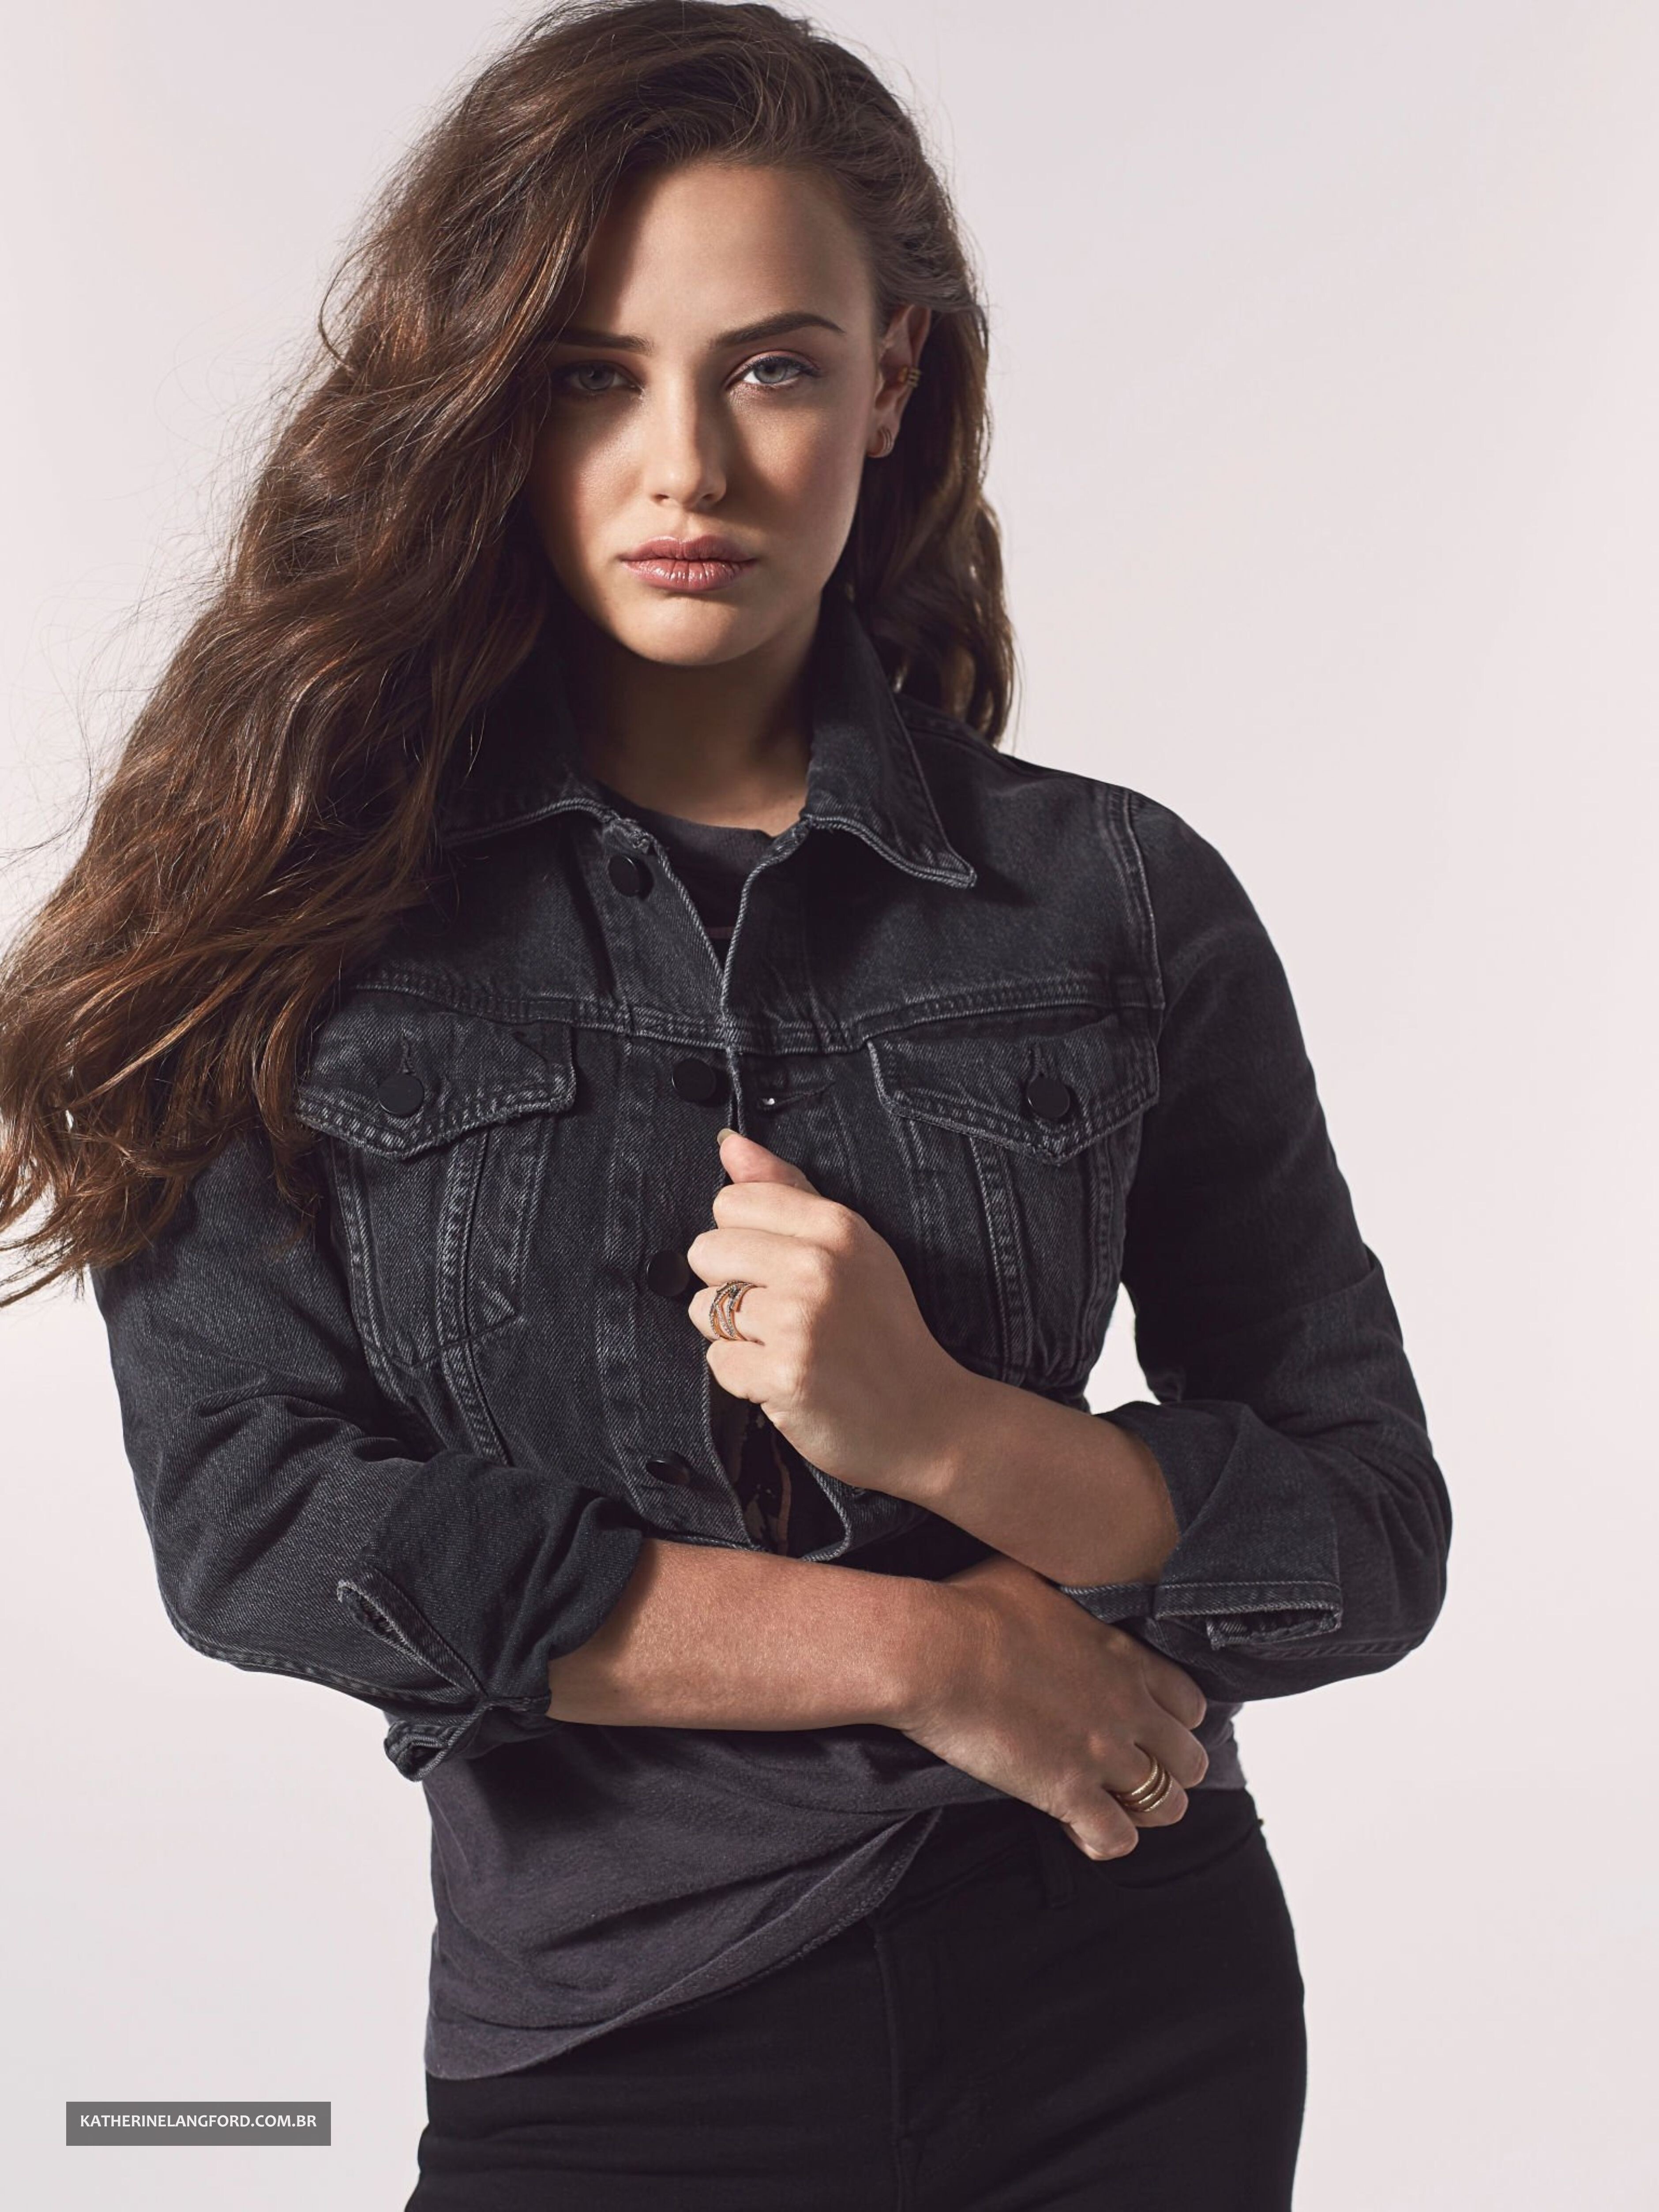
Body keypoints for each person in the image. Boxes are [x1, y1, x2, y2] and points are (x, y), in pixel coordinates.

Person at [0, 4, 1451, 2205]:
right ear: (487, 398)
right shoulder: (284, 909)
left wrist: (942, 1434)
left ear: (896, 380)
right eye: (593, 375)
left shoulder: (1116, 897)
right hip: (617, 2034)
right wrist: (922, 1647)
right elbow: (263, 1533)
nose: (687, 464)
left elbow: (1364, 1534)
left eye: (771, 367)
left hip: (1122, 1987)